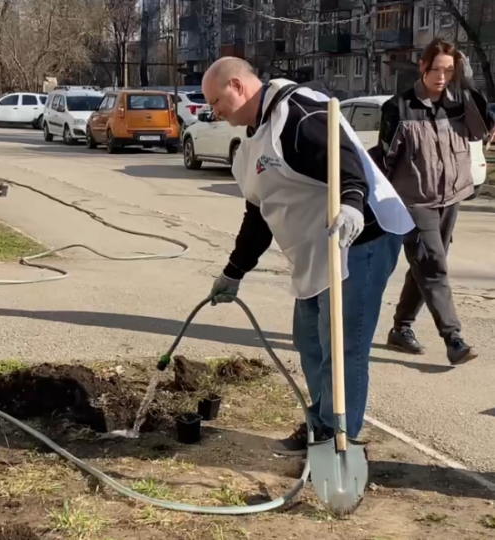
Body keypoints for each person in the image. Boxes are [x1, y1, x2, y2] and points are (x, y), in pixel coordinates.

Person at [202, 57, 415, 456]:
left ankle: (341, 443)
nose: (213, 112)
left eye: (216, 102)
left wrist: (352, 203)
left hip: (361, 238)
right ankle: (322, 424)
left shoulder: (296, 113)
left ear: (237, 86)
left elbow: (346, 159)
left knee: (342, 345)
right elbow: (258, 216)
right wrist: (233, 273)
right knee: (309, 339)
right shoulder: (250, 143)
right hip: (317, 249)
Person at [378, 39, 495, 365]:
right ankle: (453, 338)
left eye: (449, 70)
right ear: (423, 67)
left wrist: (468, 85)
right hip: (415, 202)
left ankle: (401, 328)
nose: (441, 77)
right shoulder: (398, 107)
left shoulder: (459, 104)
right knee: (433, 265)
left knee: (425, 265)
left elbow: (481, 132)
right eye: (436, 69)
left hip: (451, 197)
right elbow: (386, 160)